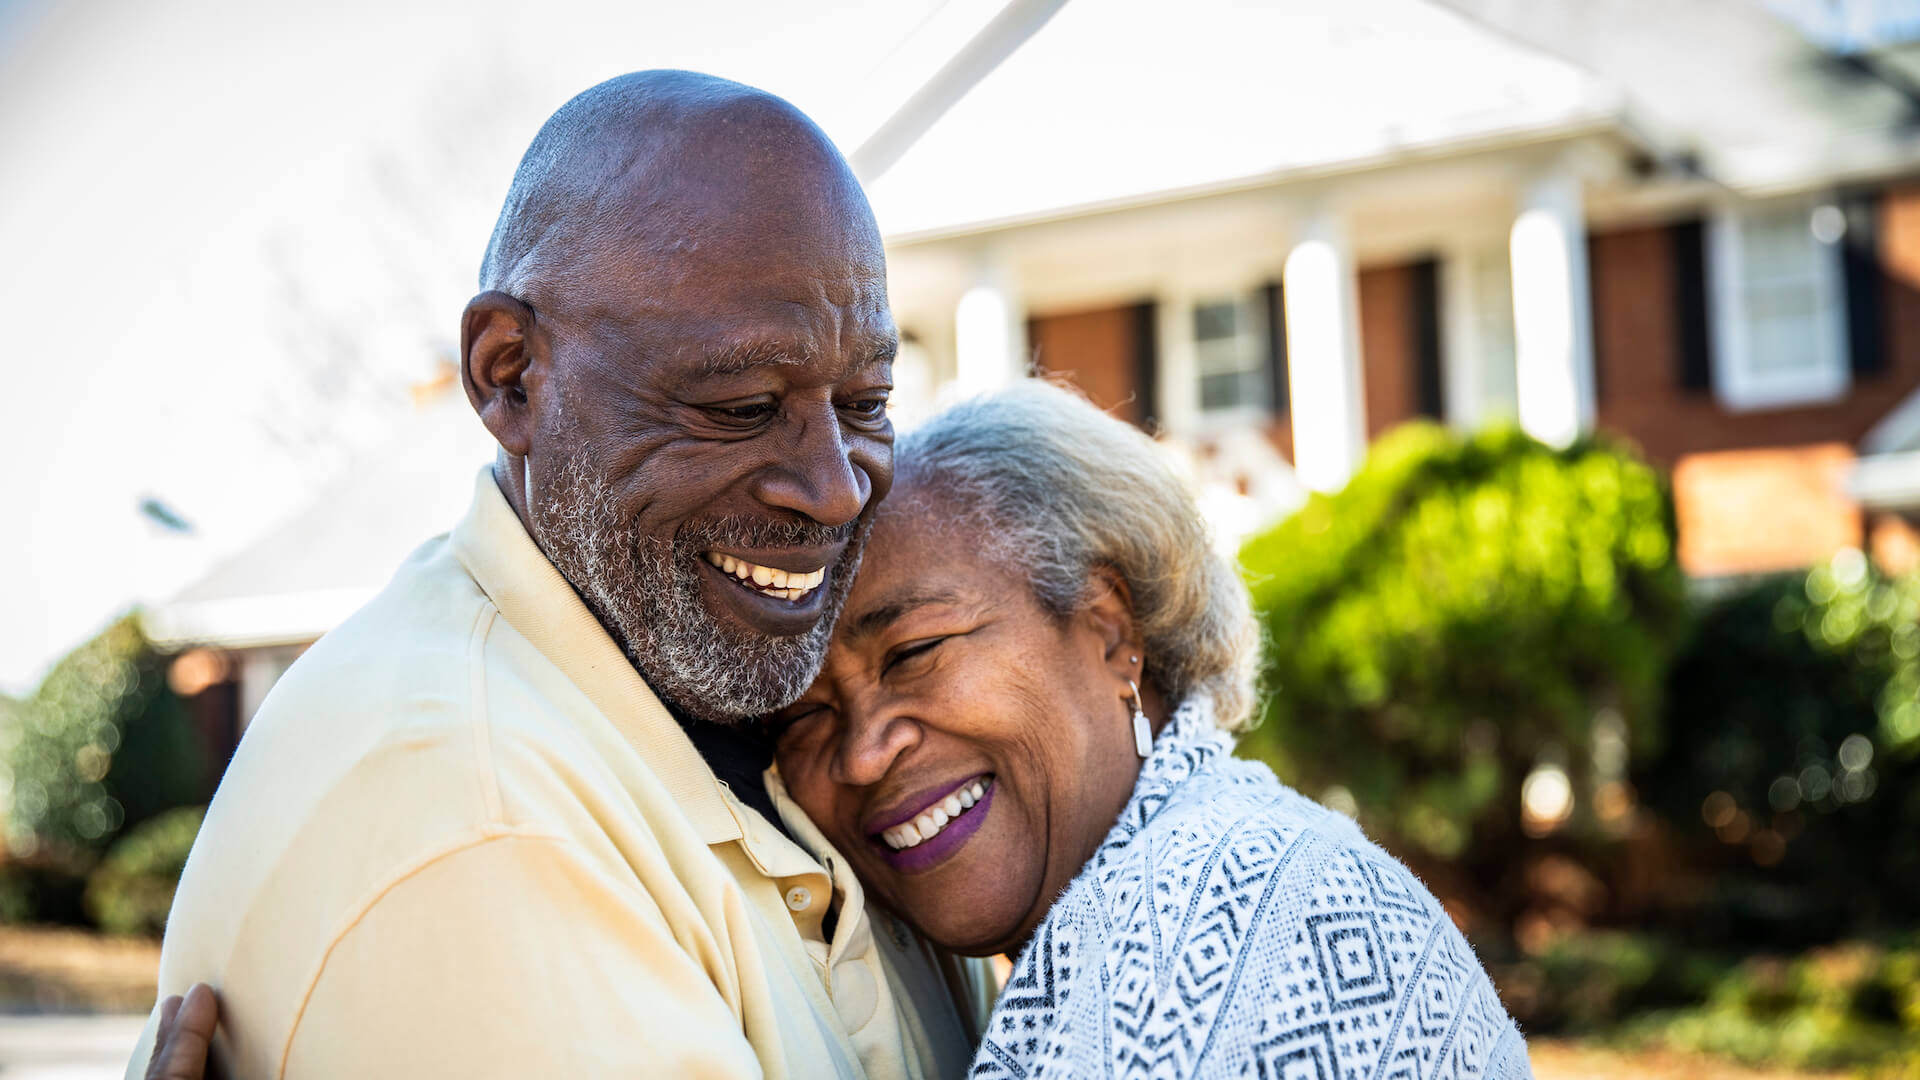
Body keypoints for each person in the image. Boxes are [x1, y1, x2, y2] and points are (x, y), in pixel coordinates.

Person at [129, 71, 990, 1079]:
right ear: (510, 376)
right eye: (742, 404)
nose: (837, 491)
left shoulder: (781, 730)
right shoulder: (472, 820)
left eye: (866, 401)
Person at [769, 381, 1535, 1078]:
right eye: (803, 712)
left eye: (914, 652)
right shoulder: (1181, 893)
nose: (864, 754)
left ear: (1109, 626)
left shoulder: (1204, 925)